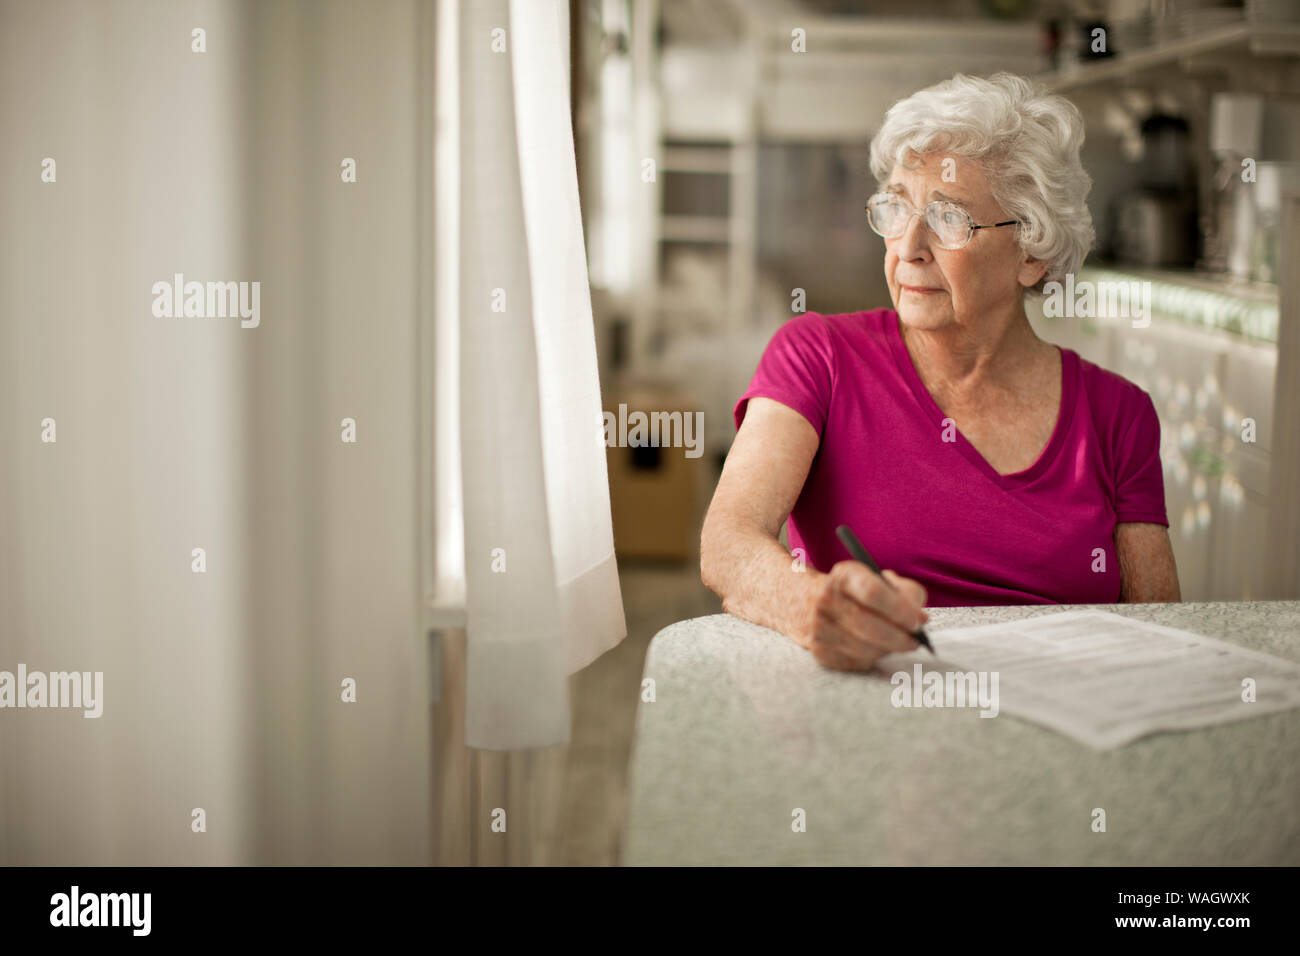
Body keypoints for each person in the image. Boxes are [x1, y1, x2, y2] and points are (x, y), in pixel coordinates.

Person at [700, 72, 1180, 673]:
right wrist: (811, 605)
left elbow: (1162, 632)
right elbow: (728, 542)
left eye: (949, 218)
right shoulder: (818, 356)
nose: (908, 246)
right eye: (896, 208)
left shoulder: (1119, 415)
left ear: (1031, 253)